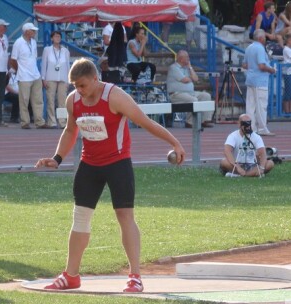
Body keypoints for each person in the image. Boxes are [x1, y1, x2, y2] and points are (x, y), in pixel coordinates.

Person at [35, 58, 186, 292]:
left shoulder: (114, 97)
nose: (79, 90)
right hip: (89, 164)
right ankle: (71, 275)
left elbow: (144, 122)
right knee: (80, 218)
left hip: (118, 163)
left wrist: (175, 142)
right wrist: (57, 158)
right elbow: (71, 130)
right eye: (75, 85)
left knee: (125, 216)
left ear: (96, 79)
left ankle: (135, 276)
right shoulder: (73, 100)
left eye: (83, 85)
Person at [10, 23, 47, 129]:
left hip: (35, 75)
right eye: (33, 30)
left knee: (38, 99)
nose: (35, 32)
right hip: (24, 76)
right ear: (26, 31)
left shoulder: (34, 42)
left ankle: (39, 121)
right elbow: (13, 60)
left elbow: (33, 58)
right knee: (24, 100)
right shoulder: (18, 43)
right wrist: (19, 70)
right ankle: (25, 122)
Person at [166, 50, 213, 128]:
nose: (189, 58)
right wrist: (190, 78)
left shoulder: (187, 67)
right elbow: (185, 80)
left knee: (206, 95)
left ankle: (205, 120)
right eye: (187, 57)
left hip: (190, 93)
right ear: (181, 59)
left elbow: (196, 78)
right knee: (193, 100)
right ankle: (189, 122)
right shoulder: (173, 68)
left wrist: (190, 68)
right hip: (176, 94)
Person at [242, 29, 276, 136]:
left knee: (250, 106)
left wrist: (252, 67)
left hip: (250, 79)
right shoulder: (260, 48)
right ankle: (262, 128)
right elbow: (262, 66)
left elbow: (244, 65)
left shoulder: (249, 47)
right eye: (265, 38)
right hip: (260, 81)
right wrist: (271, 70)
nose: (265, 39)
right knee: (261, 105)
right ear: (261, 38)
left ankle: (250, 128)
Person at [42, 31, 71, 128]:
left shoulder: (65, 51)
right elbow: (44, 64)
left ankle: (62, 122)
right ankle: (52, 121)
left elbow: (67, 65)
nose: (57, 38)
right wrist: (43, 78)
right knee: (50, 99)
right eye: (55, 36)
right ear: (52, 38)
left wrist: (68, 80)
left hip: (63, 78)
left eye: (59, 36)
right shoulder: (47, 50)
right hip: (50, 77)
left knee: (62, 101)